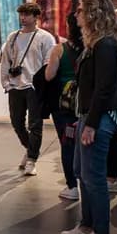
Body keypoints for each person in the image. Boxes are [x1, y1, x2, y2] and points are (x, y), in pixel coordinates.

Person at [61, 0, 117, 234]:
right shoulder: (97, 44)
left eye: (80, 11)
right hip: (89, 115)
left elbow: (104, 88)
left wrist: (91, 123)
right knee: (82, 171)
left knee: (93, 176)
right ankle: (87, 225)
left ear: (93, 14)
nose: (76, 16)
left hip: (98, 117)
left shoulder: (106, 45)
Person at [0, 3, 56, 176]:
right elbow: (5, 60)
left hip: (34, 87)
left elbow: (48, 62)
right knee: (16, 122)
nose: (23, 17)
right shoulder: (13, 37)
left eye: (27, 14)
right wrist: (6, 83)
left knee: (35, 124)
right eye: (21, 14)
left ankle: (31, 158)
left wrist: (43, 86)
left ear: (35, 16)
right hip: (15, 86)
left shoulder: (45, 38)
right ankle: (30, 149)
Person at [44, 13, 84, 201]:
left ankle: (72, 185)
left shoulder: (59, 49)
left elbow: (49, 76)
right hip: (86, 102)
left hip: (65, 103)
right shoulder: (92, 47)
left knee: (67, 143)